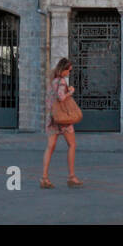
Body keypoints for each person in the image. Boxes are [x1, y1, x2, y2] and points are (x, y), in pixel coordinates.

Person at [41, 58, 82, 188]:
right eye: (68, 70)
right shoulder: (62, 82)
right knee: (72, 145)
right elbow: (61, 97)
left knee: (50, 147)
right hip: (63, 120)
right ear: (63, 69)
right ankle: (71, 177)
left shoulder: (52, 81)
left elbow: (49, 100)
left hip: (53, 119)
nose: (69, 73)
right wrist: (70, 92)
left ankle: (44, 178)